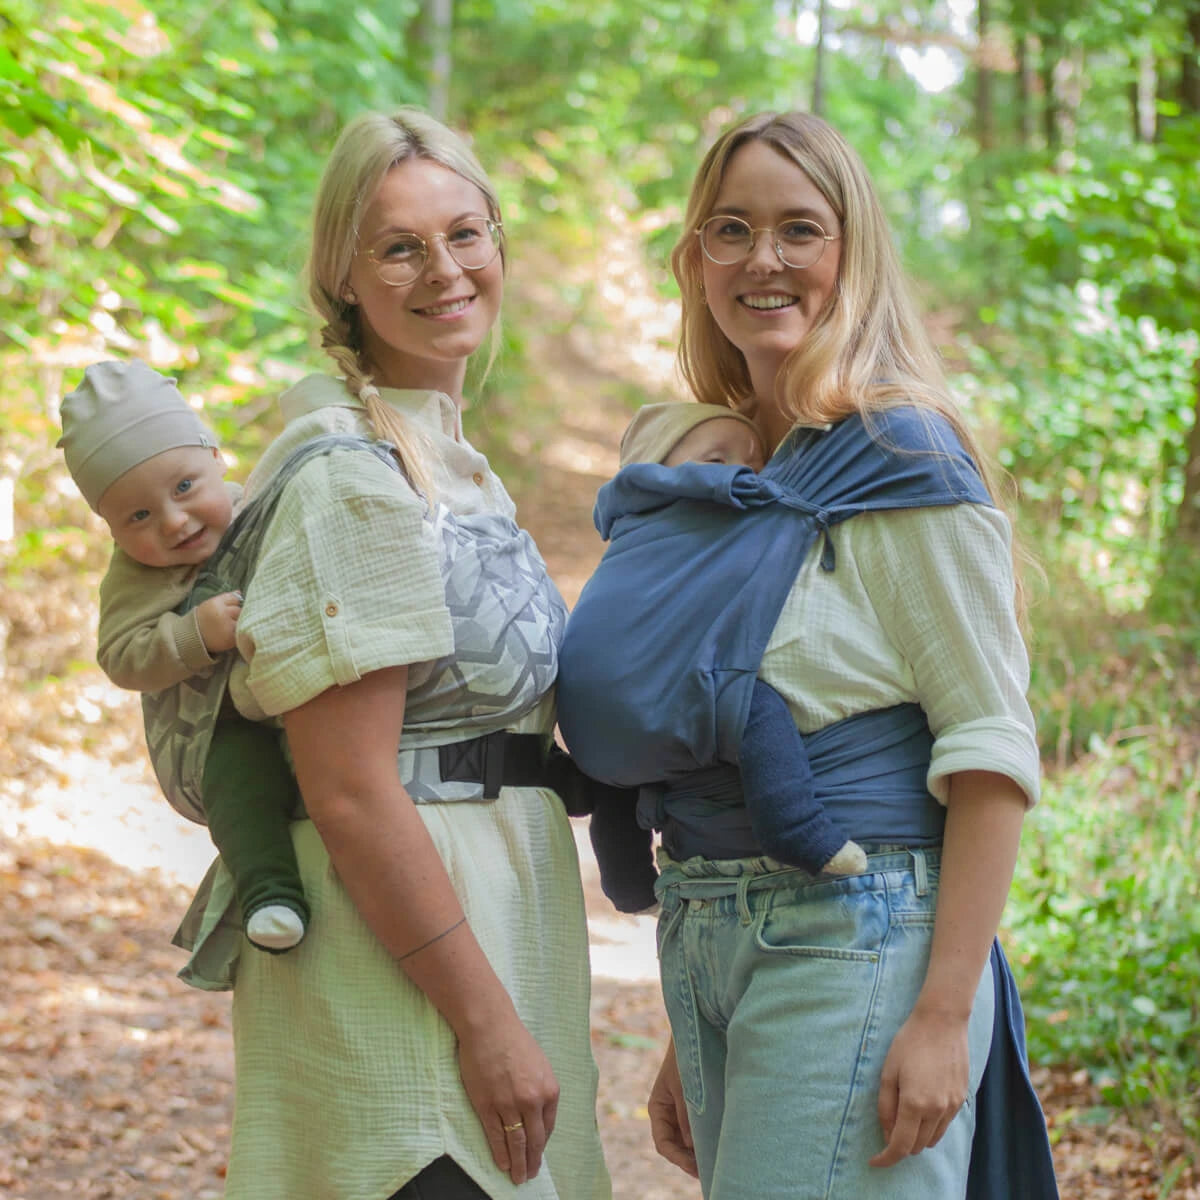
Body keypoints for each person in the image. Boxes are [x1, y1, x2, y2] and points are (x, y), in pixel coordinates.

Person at [559, 111, 1057, 1199]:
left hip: (863, 933)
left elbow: (990, 753)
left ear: (854, 253)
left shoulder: (901, 455)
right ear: (694, 259)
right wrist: (687, 1024)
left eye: (802, 230)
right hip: (716, 934)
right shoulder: (716, 471)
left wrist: (940, 1015)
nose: (765, 260)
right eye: (731, 230)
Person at [162, 108, 610, 1200]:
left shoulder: (450, 465)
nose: (444, 269)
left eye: (466, 233)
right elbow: (352, 791)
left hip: (486, 925)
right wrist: (483, 1020)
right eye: (400, 247)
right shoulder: (354, 479)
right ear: (343, 280)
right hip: (401, 971)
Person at [559, 401, 867, 914]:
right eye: (717, 459)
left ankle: (628, 885)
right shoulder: (679, 499)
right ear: (655, 469)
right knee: (750, 705)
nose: (742, 473)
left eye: (754, 460)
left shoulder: (628, 528)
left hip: (589, 715)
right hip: (659, 690)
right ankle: (797, 829)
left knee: (618, 785)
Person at [57, 359, 309, 952]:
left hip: (304, 690)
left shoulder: (265, 509)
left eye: (185, 487)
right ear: (112, 530)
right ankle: (271, 893)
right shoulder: (134, 579)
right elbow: (121, 655)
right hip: (221, 724)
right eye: (139, 516)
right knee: (238, 784)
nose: (173, 521)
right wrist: (194, 633)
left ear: (218, 459)